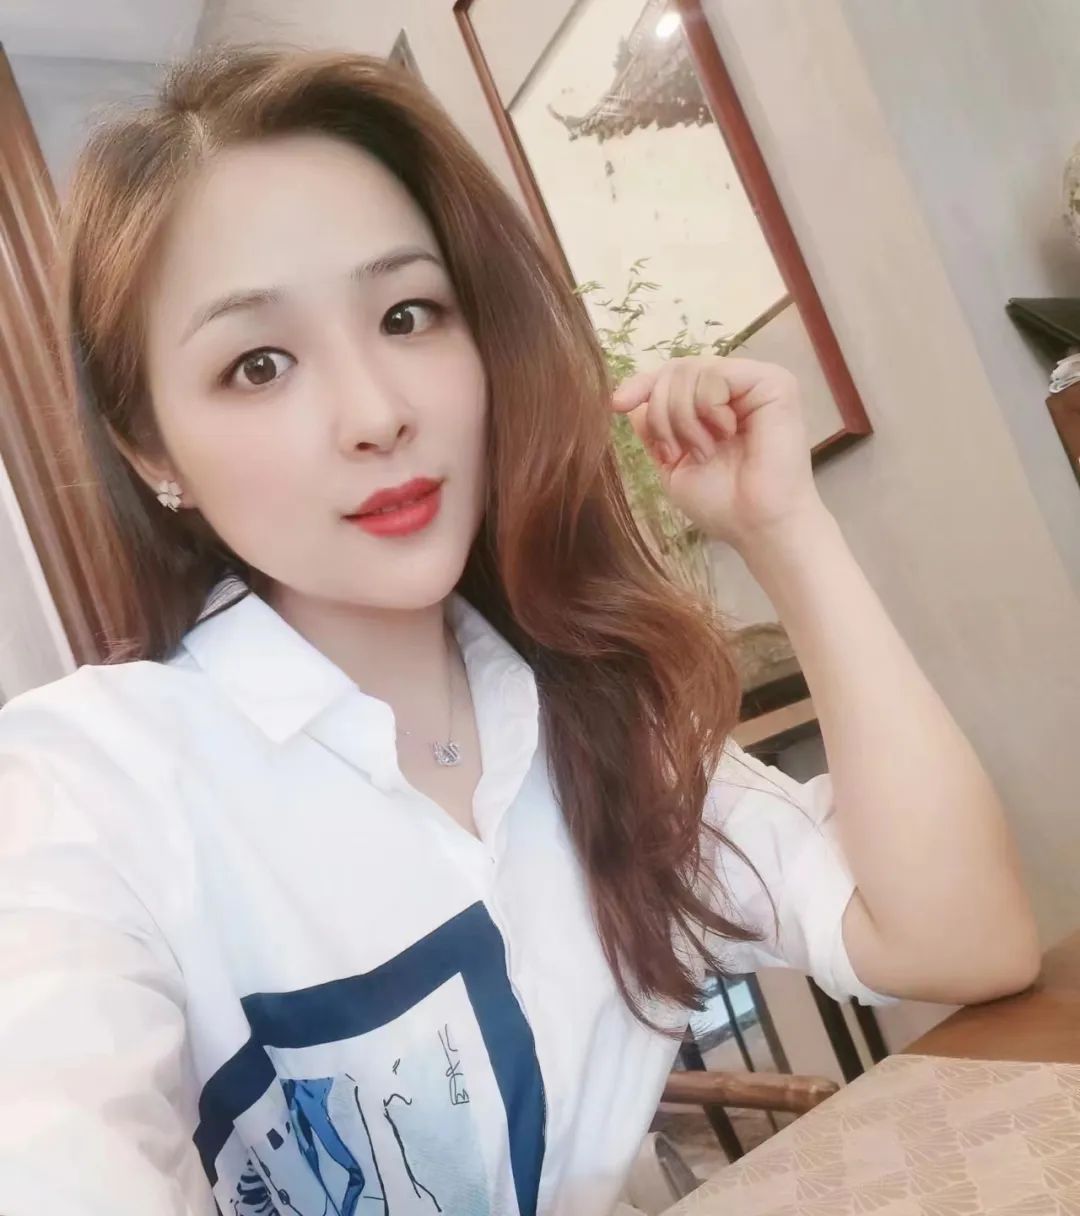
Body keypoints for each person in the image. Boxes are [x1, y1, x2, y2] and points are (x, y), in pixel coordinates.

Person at [0, 46, 1037, 1216]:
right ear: (151, 450)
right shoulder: (85, 788)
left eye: (408, 314)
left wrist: (785, 528)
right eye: (259, 364)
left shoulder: (596, 721)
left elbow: (961, 939)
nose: (378, 413)